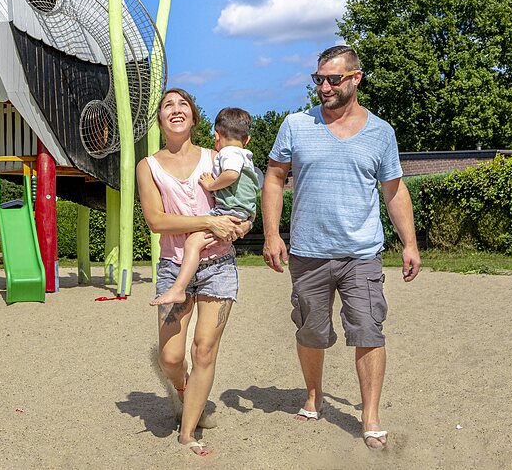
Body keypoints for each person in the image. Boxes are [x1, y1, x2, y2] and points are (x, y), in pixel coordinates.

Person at [261, 45, 421, 450]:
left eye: (333, 79)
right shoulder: (295, 125)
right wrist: (272, 234)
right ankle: (313, 395)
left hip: (361, 254)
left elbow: (394, 190)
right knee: (312, 330)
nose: (325, 86)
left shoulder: (381, 132)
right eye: (319, 79)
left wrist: (410, 243)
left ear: (356, 78)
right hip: (308, 253)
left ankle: (369, 416)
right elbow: (275, 178)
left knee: (368, 329)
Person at [138, 88, 252, 457]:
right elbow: (156, 220)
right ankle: (187, 393)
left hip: (219, 265)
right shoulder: (148, 166)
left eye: (182, 104)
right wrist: (207, 220)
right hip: (174, 267)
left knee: (204, 350)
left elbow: (241, 196)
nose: (175, 109)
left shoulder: (217, 158)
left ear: (194, 118)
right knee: (170, 357)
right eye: (168, 105)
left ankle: (188, 432)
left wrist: (243, 225)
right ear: (160, 119)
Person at [150, 106, 262, 307]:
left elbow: (231, 175)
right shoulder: (246, 156)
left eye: (183, 104)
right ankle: (179, 287)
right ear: (247, 140)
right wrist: (247, 220)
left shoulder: (226, 154)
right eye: (169, 105)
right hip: (239, 213)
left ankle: (178, 289)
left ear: (216, 136)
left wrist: (211, 184)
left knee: (193, 243)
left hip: (225, 225)